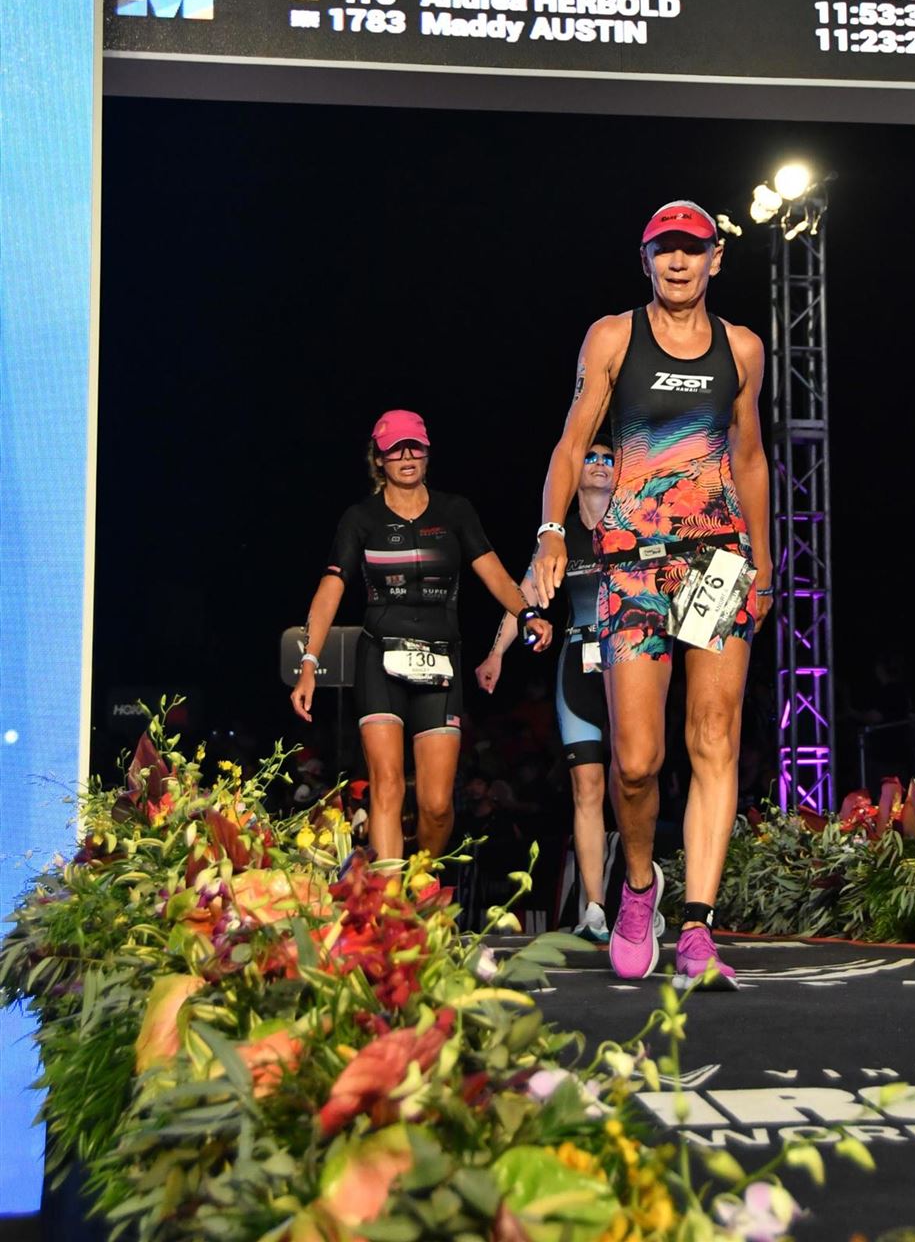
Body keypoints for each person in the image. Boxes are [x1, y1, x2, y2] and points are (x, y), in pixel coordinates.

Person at [533, 201, 771, 988]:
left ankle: (698, 928)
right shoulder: (612, 337)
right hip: (632, 563)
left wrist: (764, 563)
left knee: (715, 738)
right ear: (646, 259)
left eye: (692, 250)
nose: (678, 261)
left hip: (717, 561)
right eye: (665, 249)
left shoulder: (743, 347)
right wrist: (551, 531)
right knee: (636, 762)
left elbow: (750, 457)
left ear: (714, 260)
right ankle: (640, 886)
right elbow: (572, 445)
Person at [290, 409, 550, 862]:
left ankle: (422, 881)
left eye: (415, 446)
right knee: (387, 786)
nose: (407, 456)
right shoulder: (360, 518)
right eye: (395, 449)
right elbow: (330, 589)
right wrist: (309, 662)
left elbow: (493, 571)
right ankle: (391, 897)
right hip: (379, 660)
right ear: (378, 459)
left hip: (440, 661)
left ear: (428, 453)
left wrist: (527, 613)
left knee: (436, 805)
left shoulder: (455, 511)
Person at [477, 435, 617, 942]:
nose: (599, 465)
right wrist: (496, 653)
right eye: (590, 457)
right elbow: (524, 597)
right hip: (578, 666)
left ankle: (640, 894)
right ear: (573, 471)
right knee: (587, 787)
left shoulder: (636, 524)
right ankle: (594, 908)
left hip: (633, 663)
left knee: (634, 780)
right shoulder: (558, 540)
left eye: (608, 459)